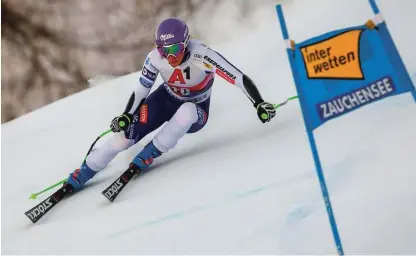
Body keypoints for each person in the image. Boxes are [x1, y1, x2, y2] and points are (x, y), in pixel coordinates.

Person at [65, 17, 277, 192]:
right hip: (165, 100)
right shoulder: (155, 58)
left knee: (185, 112)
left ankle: (148, 155)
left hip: (196, 109)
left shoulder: (201, 54)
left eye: (175, 49)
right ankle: (84, 172)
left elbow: (238, 77)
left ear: (185, 43)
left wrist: (258, 103)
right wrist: (126, 115)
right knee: (125, 135)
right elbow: (141, 90)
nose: (170, 56)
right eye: (164, 50)